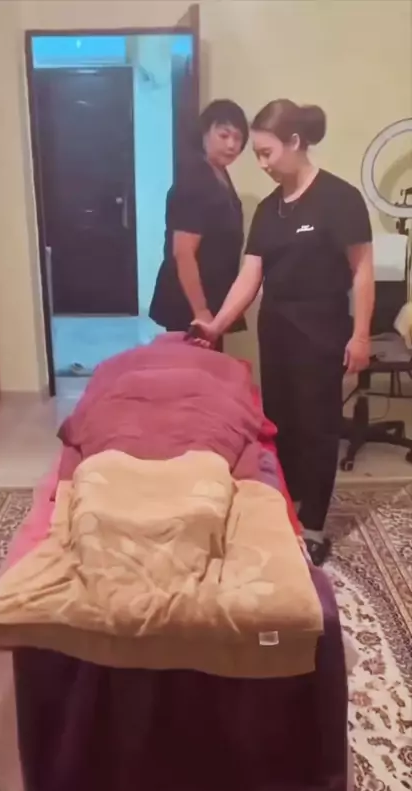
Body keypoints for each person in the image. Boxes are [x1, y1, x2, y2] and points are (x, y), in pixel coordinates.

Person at [193, 99, 374, 566]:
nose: (261, 163)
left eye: (267, 152)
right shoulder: (269, 210)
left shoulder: (340, 198)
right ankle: (286, 508)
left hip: (322, 331)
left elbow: (362, 271)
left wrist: (361, 336)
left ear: (295, 142)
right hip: (276, 329)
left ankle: (313, 526)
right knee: (280, 423)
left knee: (317, 427)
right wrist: (216, 324)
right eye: (257, 154)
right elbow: (250, 275)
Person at [149, 99, 249, 349]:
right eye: (224, 135)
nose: (231, 145)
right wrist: (201, 311)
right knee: (192, 369)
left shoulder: (219, 173)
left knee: (210, 367)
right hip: (191, 303)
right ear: (205, 132)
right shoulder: (195, 179)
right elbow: (183, 253)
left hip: (212, 296)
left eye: (238, 138)